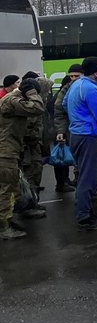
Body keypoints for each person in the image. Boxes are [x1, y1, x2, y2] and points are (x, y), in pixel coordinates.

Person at [63, 57, 97, 231]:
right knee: (88, 178)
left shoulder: (75, 85)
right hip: (87, 136)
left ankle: (88, 211)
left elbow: (63, 103)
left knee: (86, 175)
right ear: (96, 71)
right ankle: (85, 217)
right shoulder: (91, 88)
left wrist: (78, 117)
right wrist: (93, 121)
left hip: (76, 134)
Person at [0, 78, 45, 239]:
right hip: (5, 152)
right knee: (6, 189)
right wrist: (32, 92)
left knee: (11, 187)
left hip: (10, 149)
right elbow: (38, 108)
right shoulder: (12, 100)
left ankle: (7, 220)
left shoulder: (11, 100)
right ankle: (3, 227)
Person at [18, 72, 54, 219]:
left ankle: (33, 201)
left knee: (36, 172)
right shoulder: (31, 106)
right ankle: (27, 206)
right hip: (28, 147)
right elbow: (27, 128)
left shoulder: (42, 104)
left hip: (36, 145)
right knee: (30, 175)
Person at [54, 64, 84, 190]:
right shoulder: (66, 90)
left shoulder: (87, 87)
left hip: (87, 129)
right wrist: (60, 130)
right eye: (71, 76)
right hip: (73, 130)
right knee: (77, 159)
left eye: (76, 76)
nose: (73, 78)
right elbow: (59, 111)